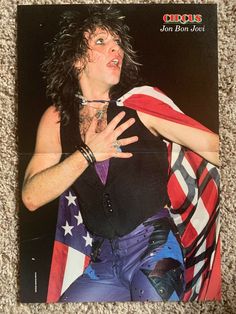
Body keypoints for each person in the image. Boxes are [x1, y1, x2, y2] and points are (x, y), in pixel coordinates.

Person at [22, 6, 220, 302]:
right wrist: (88, 154)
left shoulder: (140, 107)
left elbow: (216, 146)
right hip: (103, 264)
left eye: (118, 43)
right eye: (102, 42)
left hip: (155, 249)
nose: (116, 48)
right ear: (76, 60)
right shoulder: (55, 119)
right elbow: (31, 197)